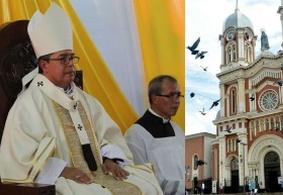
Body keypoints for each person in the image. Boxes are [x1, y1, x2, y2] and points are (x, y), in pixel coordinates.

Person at [0, 4, 162, 195]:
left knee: (146, 185)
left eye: (72, 58)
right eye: (63, 59)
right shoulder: (29, 104)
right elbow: (20, 159)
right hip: (59, 179)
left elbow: (106, 136)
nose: (70, 65)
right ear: (44, 64)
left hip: (101, 174)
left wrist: (110, 160)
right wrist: (62, 170)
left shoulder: (86, 100)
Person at [125, 75, 185, 195]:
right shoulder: (135, 134)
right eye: (170, 95)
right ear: (154, 98)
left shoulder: (178, 130)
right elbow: (142, 179)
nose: (177, 100)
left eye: (178, 95)